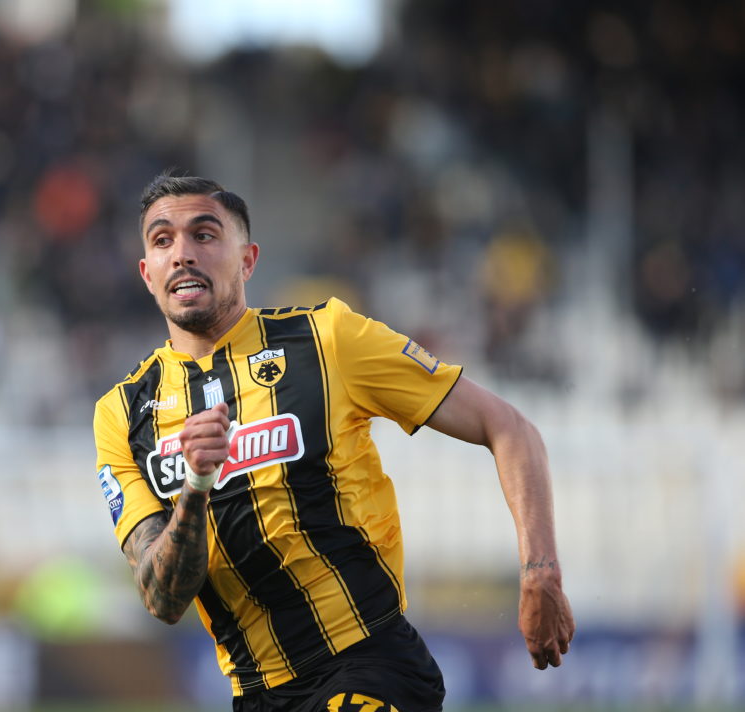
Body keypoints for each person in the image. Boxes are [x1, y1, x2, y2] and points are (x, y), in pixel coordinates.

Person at [93, 173, 575, 712]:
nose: (182, 253)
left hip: (368, 661)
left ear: (248, 260)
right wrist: (196, 485)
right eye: (162, 240)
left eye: (204, 235)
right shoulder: (121, 414)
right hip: (256, 693)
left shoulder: (327, 340)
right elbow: (162, 599)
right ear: (147, 273)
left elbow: (509, 427)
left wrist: (540, 572)